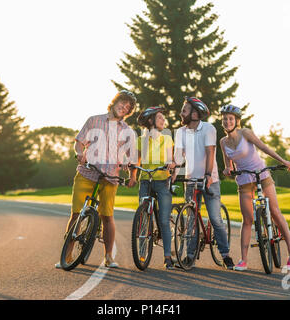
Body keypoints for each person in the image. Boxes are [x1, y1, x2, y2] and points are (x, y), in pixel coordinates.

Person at [55, 90, 137, 269]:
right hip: (87, 173)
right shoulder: (94, 120)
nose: (123, 108)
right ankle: (67, 255)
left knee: (107, 216)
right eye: (122, 104)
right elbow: (79, 142)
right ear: (114, 103)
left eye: (127, 108)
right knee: (76, 214)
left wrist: (132, 174)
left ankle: (108, 257)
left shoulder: (128, 132)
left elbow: (133, 157)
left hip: (110, 177)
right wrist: (79, 153)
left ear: (128, 112)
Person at [219, 104, 290, 271]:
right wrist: (228, 169)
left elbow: (264, 148)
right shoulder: (223, 142)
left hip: (261, 173)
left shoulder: (245, 133)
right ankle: (244, 260)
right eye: (225, 119)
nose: (227, 121)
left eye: (230, 119)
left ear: (237, 121)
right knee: (247, 219)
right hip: (243, 179)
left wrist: (284, 162)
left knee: (275, 212)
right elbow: (229, 163)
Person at [174, 97, 235, 270]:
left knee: (215, 218)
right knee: (191, 219)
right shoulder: (180, 132)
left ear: (195, 114)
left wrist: (208, 175)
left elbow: (210, 153)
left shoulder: (208, 128)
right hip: (191, 180)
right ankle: (190, 256)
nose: (181, 113)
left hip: (210, 180)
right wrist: (172, 173)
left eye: (184, 110)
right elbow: (178, 158)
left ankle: (225, 255)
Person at [128, 106, 176, 270]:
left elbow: (171, 158)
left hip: (162, 181)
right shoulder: (141, 140)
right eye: (160, 118)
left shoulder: (167, 139)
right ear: (151, 121)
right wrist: (132, 175)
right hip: (145, 181)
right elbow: (136, 160)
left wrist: (171, 163)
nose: (164, 121)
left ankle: (168, 256)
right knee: (143, 219)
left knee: (163, 220)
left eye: (164, 118)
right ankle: (142, 254)